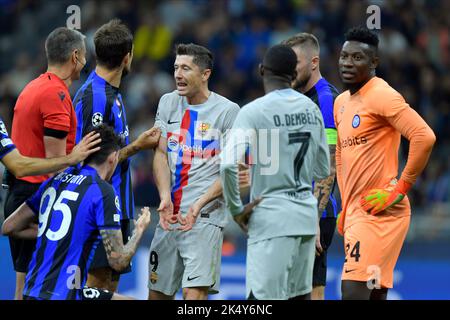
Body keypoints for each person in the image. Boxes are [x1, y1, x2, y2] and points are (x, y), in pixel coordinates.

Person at [220, 44, 330, 300]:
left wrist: (236, 210)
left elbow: (227, 164)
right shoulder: (312, 109)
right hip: (304, 216)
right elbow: (323, 168)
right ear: (293, 75)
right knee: (299, 297)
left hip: (271, 219)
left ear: (261, 71)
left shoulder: (253, 111)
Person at [335, 27, 436, 300]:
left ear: (374, 63)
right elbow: (342, 154)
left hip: (379, 210)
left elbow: (423, 136)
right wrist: (346, 204)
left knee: (353, 290)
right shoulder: (341, 102)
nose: (347, 63)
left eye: (357, 58)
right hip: (358, 209)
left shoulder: (381, 94)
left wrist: (400, 188)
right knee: (374, 293)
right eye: (344, 56)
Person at [2, 125, 151, 300]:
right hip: (66, 295)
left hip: (31, 291)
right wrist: (139, 230)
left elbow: (9, 227)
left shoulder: (57, 180)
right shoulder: (103, 191)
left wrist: (56, 234)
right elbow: (118, 261)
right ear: (113, 158)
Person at [74, 19, 161, 292]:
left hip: (117, 203)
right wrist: (137, 145)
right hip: (99, 205)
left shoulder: (111, 93)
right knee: (97, 287)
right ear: (127, 57)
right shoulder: (96, 97)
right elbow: (92, 159)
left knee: (109, 286)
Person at [148, 43, 240, 300]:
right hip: (169, 218)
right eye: (176, 67)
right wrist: (164, 196)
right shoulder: (167, 102)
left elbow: (230, 171)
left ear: (205, 74)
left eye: (186, 68)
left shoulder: (228, 112)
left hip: (204, 219)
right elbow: (161, 154)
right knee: (156, 294)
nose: (178, 74)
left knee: (194, 296)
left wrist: (198, 204)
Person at [5, 27, 87, 300]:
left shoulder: (35, 85)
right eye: (85, 56)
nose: (86, 62)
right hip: (36, 198)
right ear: (75, 56)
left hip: (21, 194)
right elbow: (56, 164)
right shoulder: (56, 95)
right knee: (38, 289)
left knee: (23, 289)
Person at [283, 33, 340, 300]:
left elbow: (328, 163)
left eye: (295, 63)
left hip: (315, 212)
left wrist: (313, 218)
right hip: (292, 208)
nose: (289, 70)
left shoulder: (326, 101)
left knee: (311, 292)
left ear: (314, 62)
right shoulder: (295, 98)